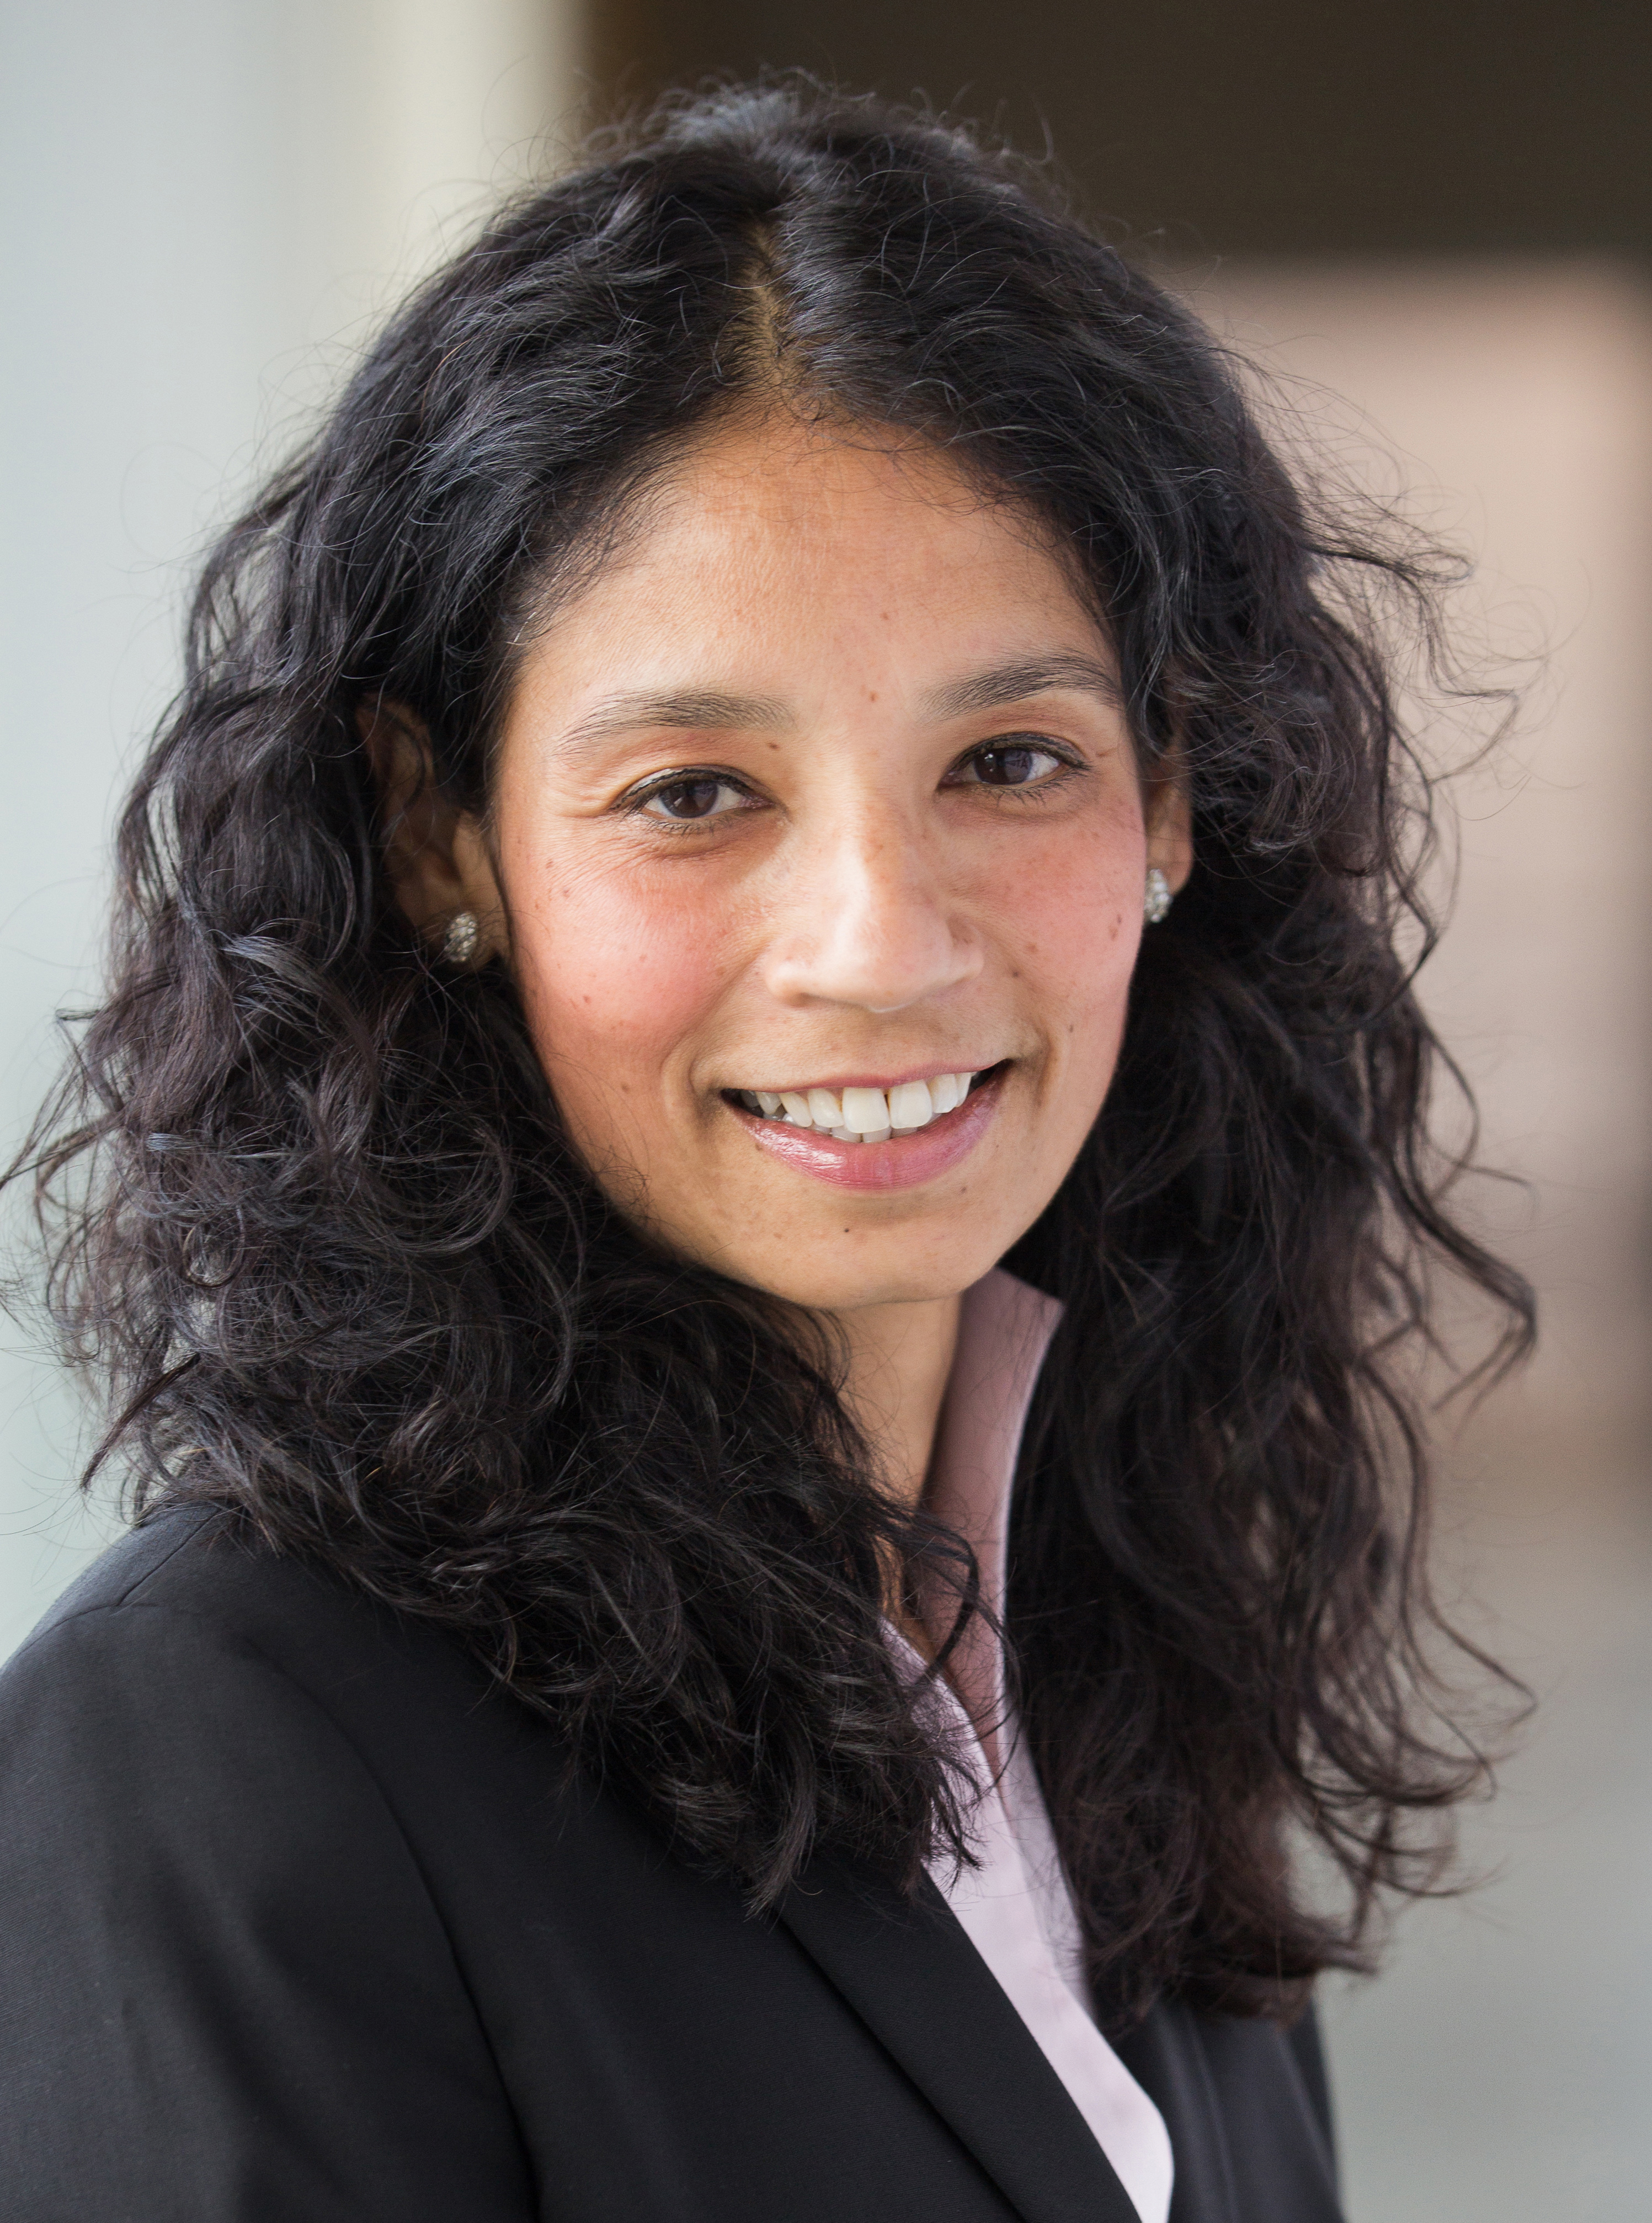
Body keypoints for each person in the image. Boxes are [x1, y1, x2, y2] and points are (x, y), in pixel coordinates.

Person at [0, 82, 1529, 2223]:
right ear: (447, 831)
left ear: (1170, 796)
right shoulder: (227, 1746)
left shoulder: (1097, 1622)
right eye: (693, 792)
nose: (878, 949)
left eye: (1009, 760)